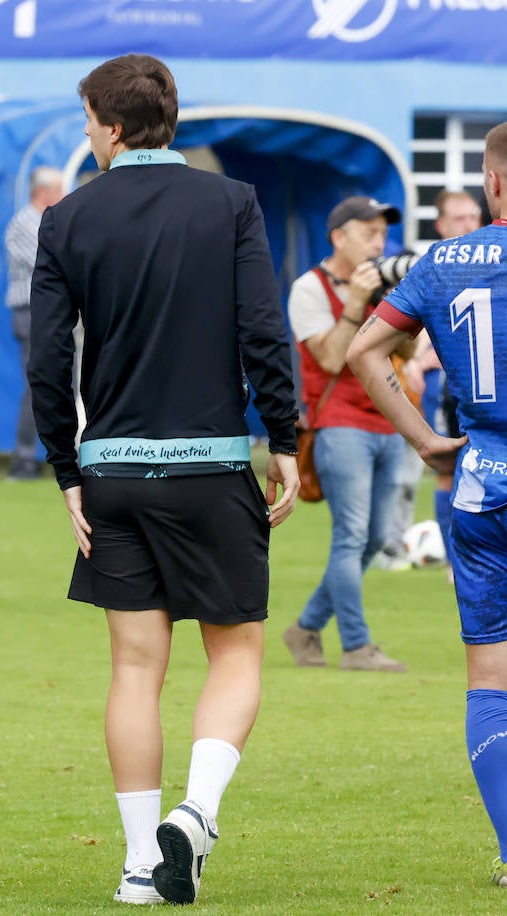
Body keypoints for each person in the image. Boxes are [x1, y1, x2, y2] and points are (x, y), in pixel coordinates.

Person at [27, 54, 300, 906]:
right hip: (212, 468)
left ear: (110, 126)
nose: (86, 136)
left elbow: (46, 359)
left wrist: (66, 470)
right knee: (236, 652)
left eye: (85, 123)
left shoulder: (66, 217)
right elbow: (263, 327)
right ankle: (196, 815)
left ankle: (141, 863)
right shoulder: (230, 203)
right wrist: (284, 437)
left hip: (111, 473)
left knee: (135, 669)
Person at [346, 119, 507, 888]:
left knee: (490, 678)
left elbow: (363, 352)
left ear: (494, 184)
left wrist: (423, 441)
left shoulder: (443, 262)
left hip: (480, 481)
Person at [281, 196, 416, 673]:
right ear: (338, 236)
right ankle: (357, 647)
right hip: (338, 424)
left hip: (386, 420)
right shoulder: (309, 288)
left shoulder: (384, 284)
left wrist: (403, 301)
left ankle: (305, 628)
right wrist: (358, 302)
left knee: (377, 537)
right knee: (351, 535)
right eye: (369, 233)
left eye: (382, 234)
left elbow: (408, 346)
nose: (379, 243)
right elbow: (333, 359)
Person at [407, 190, 486, 576]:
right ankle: (457, 563)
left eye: (472, 216)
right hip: (453, 388)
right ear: (440, 224)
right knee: (450, 468)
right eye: (458, 218)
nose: (468, 224)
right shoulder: (433, 265)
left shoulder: (492, 258)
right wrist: (420, 360)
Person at [5, 166, 64, 480]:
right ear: (45, 193)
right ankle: (24, 461)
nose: (64, 196)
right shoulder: (27, 223)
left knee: (56, 385)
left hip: (45, 314)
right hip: (31, 313)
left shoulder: (42, 221)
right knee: (37, 387)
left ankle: (51, 458)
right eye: (60, 190)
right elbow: (54, 263)